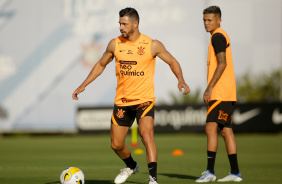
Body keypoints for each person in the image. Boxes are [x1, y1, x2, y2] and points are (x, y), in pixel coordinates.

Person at [72, 7, 190, 184]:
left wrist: (181, 79)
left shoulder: (152, 44)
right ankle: (132, 166)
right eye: (119, 23)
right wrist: (83, 85)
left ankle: (153, 179)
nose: (120, 27)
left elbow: (173, 61)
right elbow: (101, 64)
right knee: (116, 145)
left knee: (146, 135)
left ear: (135, 24)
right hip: (122, 101)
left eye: (124, 24)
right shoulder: (115, 44)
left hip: (144, 100)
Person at [195, 6, 242, 182]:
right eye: (205, 20)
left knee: (210, 128)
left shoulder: (217, 37)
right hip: (228, 92)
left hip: (220, 92)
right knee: (226, 131)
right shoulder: (221, 35)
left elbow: (222, 64)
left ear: (219, 20)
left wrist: (209, 87)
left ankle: (210, 172)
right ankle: (235, 173)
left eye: (210, 20)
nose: (206, 23)